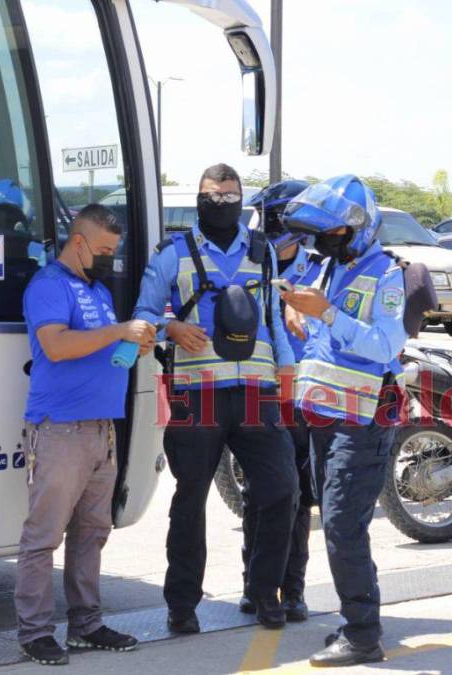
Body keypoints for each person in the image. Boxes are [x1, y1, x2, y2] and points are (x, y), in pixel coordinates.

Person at [133, 163, 298, 633]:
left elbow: (271, 317)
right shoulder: (172, 254)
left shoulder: (262, 252)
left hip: (256, 393)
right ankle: (182, 605)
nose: (221, 204)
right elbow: (142, 315)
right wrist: (171, 327)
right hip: (195, 393)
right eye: (212, 197)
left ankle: (265, 591)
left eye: (230, 197)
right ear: (200, 200)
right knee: (190, 500)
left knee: (280, 490)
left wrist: (286, 376)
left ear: (242, 200)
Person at [16, 204, 156, 666]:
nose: (110, 259)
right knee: (44, 537)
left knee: (92, 533)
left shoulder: (95, 291)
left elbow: (99, 346)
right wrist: (120, 329)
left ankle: (86, 625)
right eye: (103, 250)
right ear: (78, 242)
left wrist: (131, 341)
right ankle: (35, 633)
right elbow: (55, 345)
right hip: (61, 430)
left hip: (101, 430)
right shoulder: (50, 286)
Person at [281, 175, 407, 668]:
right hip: (323, 417)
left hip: (364, 419)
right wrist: (304, 318)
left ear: (357, 228)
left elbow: (385, 346)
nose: (323, 243)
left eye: (332, 234)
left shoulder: (387, 275)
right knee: (339, 523)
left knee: (341, 525)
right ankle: (359, 621)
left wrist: (328, 314)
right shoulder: (325, 269)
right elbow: (325, 346)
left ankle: (361, 633)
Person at [238, 180, 323, 623]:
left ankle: (293, 591)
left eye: (279, 221)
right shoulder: (251, 265)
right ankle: (255, 587)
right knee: (261, 495)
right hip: (261, 395)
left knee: (300, 499)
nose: (272, 230)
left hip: (306, 399)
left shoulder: (321, 270)